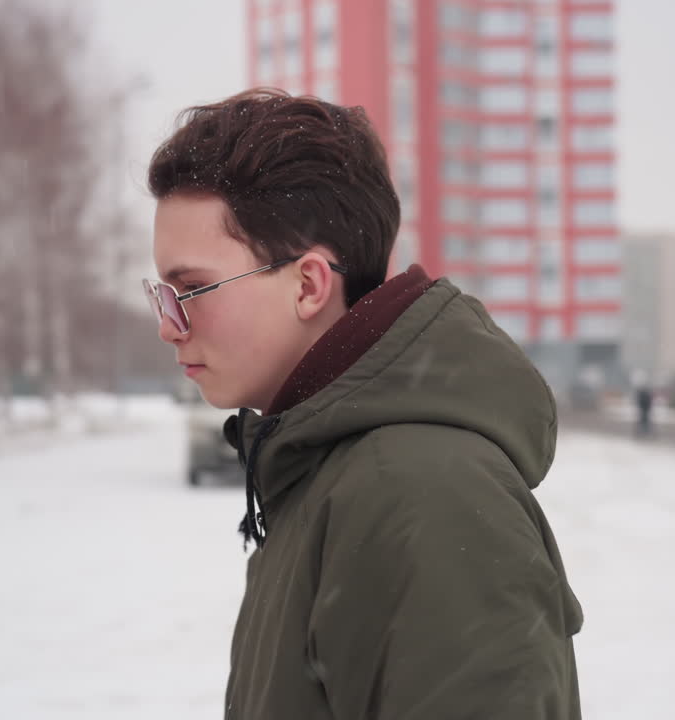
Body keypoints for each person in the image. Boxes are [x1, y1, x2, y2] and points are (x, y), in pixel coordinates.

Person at [143, 88, 583, 719]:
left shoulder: (420, 491)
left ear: (309, 284)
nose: (169, 325)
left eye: (190, 290)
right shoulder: (324, 469)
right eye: (161, 295)